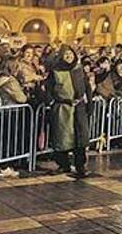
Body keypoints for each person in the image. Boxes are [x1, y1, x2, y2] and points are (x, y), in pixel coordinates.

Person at [47, 45, 92, 178]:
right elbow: (49, 88)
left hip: (79, 108)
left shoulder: (79, 70)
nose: (69, 57)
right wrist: (53, 101)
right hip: (63, 108)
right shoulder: (55, 71)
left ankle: (80, 166)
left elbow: (87, 87)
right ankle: (63, 164)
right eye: (66, 54)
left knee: (80, 139)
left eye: (70, 54)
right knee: (63, 138)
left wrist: (89, 103)